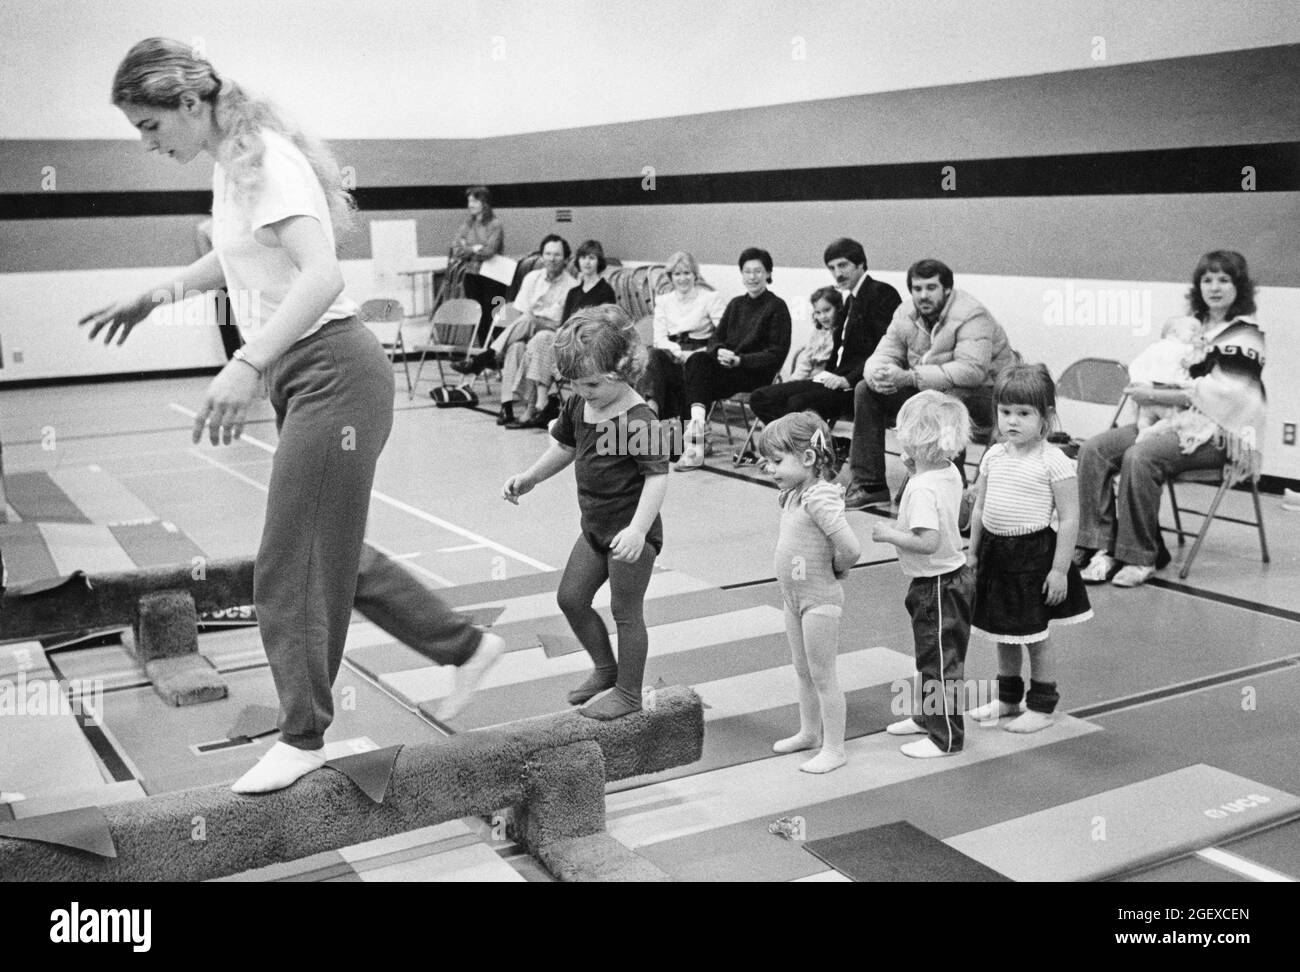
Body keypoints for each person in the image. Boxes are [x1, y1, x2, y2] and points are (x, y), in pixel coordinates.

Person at [78, 38, 502, 793]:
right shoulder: (231, 165)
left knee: (289, 564)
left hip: (333, 368)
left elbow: (322, 273)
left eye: (149, 126)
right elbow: (236, 259)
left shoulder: (264, 159)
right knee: (330, 550)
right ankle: (466, 646)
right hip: (311, 374)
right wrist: (157, 295)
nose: (147, 144)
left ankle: (304, 736)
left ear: (187, 103)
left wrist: (247, 360)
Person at [502, 306, 668, 719]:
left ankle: (628, 694)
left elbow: (657, 478)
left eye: (593, 383)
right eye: (576, 384)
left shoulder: (638, 419)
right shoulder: (581, 405)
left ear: (622, 369)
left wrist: (637, 530)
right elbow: (565, 447)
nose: (585, 391)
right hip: (594, 529)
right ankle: (606, 668)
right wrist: (530, 477)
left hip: (630, 536)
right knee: (571, 599)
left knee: (626, 613)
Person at [1075, 250, 1266, 588]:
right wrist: (1152, 389)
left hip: (1218, 434)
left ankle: (1139, 555)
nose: (1215, 287)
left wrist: (1156, 395)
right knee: (1094, 449)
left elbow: (1227, 394)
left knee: (1140, 456)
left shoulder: (1245, 334)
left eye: (1224, 279)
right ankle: (1096, 545)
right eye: (1208, 280)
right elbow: (1165, 369)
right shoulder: (1192, 327)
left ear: (1240, 286)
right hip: (1172, 421)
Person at [964, 365, 1092, 733]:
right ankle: (1007, 699)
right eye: (1005, 412)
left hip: (1032, 558)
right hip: (995, 555)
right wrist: (973, 551)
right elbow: (981, 507)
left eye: (1024, 413)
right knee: (1002, 632)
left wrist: (1058, 569)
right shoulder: (993, 457)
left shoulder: (1054, 461)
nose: (1012, 421)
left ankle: (1041, 705)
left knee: (1035, 635)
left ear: (1046, 417)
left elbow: (1069, 519)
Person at [844, 258, 1015, 511]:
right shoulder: (905, 312)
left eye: (931, 288)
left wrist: (909, 377)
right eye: (917, 288)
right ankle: (870, 486)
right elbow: (882, 354)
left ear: (947, 289)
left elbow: (972, 371)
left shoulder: (972, 314)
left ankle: (947, 489)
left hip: (987, 395)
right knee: (865, 390)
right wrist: (877, 375)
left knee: (950, 398)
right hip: (932, 388)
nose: (923, 295)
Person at [870, 391, 974, 758]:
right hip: (943, 580)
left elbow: (927, 540)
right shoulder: (947, 471)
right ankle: (925, 717)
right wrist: (916, 468)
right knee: (928, 657)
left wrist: (888, 534)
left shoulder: (923, 489)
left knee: (940, 664)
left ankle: (945, 736)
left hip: (938, 585)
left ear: (916, 440)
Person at [758, 412, 860, 773]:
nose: (769, 468)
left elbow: (850, 547)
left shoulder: (819, 497)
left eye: (776, 460)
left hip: (819, 600)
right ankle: (809, 732)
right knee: (801, 669)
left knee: (822, 674)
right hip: (792, 599)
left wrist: (838, 569)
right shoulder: (794, 493)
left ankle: (835, 748)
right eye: (767, 460)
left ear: (808, 459)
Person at [749, 238, 902, 426]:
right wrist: (824, 376)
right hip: (833, 379)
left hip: (857, 385)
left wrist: (848, 379)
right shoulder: (850, 300)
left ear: (860, 263)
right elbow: (839, 349)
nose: (837, 273)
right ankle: (815, 443)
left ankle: (805, 447)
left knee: (797, 404)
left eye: (843, 265)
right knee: (760, 397)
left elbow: (883, 350)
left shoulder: (881, 292)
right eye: (832, 268)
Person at [677, 247, 791, 470]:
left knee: (696, 377)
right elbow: (715, 339)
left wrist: (741, 360)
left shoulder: (777, 307)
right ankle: (698, 430)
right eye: (747, 271)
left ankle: (695, 444)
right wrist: (719, 350)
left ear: (768, 273)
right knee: (696, 362)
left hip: (756, 375)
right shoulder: (736, 304)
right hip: (729, 370)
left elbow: (777, 354)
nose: (752, 277)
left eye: (758, 271)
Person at [453, 234, 576, 423]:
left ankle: (486, 356)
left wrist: (534, 319)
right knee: (515, 346)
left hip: (552, 335)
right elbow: (521, 312)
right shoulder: (531, 278)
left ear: (566, 259)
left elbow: (561, 322)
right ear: (542, 256)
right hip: (527, 327)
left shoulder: (572, 285)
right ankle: (507, 406)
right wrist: (528, 325)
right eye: (548, 254)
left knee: (531, 323)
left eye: (557, 255)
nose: (551, 259)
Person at [503, 239, 615, 430]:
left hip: (589, 347)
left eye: (592, 258)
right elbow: (564, 325)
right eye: (583, 258)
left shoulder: (606, 291)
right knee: (540, 340)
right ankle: (540, 403)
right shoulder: (574, 292)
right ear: (577, 261)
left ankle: (536, 406)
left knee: (542, 339)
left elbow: (607, 327)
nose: (587, 262)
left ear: (599, 262)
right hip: (567, 344)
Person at [640, 251, 727, 420]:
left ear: (695, 275)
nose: (682, 278)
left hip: (702, 355)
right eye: (677, 274)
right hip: (673, 354)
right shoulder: (664, 301)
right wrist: (678, 352)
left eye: (687, 273)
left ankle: (691, 429)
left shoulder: (710, 298)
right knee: (653, 356)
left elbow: (723, 335)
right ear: (670, 277)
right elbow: (659, 339)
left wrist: (696, 353)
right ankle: (650, 414)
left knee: (697, 365)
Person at [449, 185, 506, 348]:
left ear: (484, 203)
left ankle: (499, 352)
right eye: (469, 201)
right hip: (472, 275)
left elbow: (489, 251)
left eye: (474, 201)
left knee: (496, 316)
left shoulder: (495, 224)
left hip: (495, 278)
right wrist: (474, 248)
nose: (470, 205)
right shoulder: (467, 224)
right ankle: (483, 354)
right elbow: (456, 249)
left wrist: (468, 247)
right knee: (478, 315)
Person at [1126, 315, 1200, 436]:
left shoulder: (1153, 347)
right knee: (1173, 421)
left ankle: (1143, 431)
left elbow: (1136, 366)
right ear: (1174, 332)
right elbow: (1196, 366)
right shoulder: (1187, 349)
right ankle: (1153, 432)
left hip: (1148, 398)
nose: (1198, 335)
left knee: (1144, 419)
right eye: (1193, 330)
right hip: (1169, 399)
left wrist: (1141, 383)